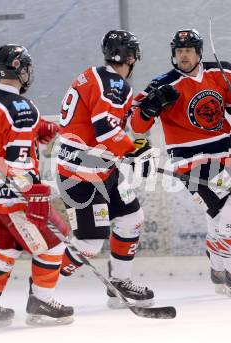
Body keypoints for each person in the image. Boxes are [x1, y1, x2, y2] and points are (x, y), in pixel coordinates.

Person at [130, 29, 231, 297]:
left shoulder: (223, 73)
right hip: (189, 162)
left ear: (199, 52)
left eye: (188, 51)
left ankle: (218, 271)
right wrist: (149, 108)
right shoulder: (162, 84)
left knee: (218, 214)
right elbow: (136, 125)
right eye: (179, 51)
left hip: (222, 156)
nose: (183, 56)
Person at [0, 44, 73, 329]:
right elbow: (17, 161)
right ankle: (41, 301)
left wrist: (39, 128)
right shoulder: (23, 108)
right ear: (22, 70)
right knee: (56, 242)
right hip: (15, 194)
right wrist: (34, 192)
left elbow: (0, 133)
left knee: (6, 248)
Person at [56, 30, 158, 308]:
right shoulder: (115, 84)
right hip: (82, 174)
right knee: (89, 244)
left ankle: (120, 283)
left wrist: (141, 103)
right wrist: (134, 150)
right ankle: (40, 287)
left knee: (131, 217)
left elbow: (102, 119)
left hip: (97, 166)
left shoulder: (93, 74)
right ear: (133, 57)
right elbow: (106, 130)